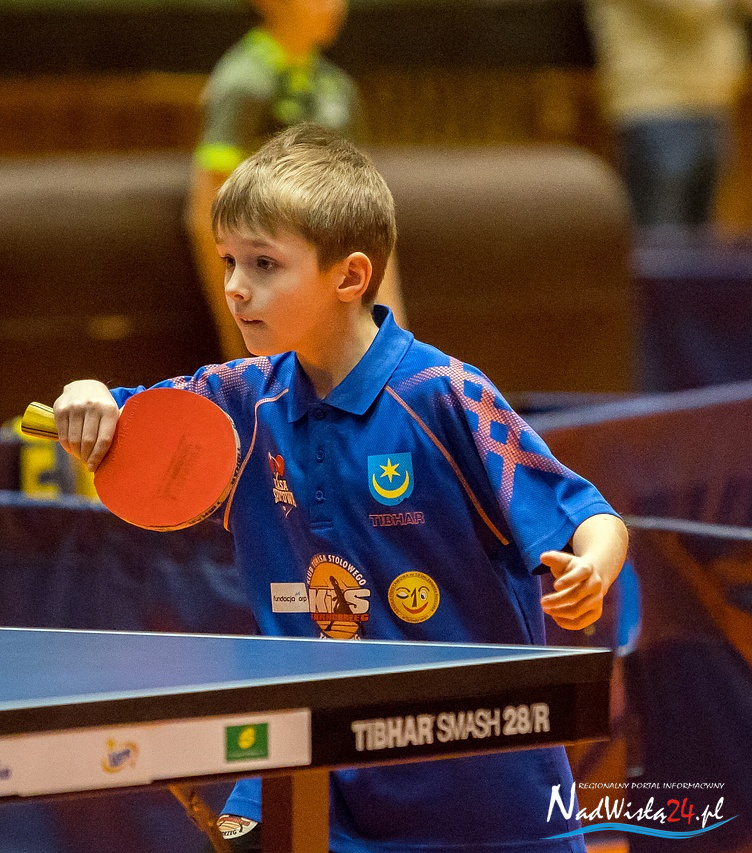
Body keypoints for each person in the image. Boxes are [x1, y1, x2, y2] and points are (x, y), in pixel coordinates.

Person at [51, 124, 628, 852]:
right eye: (230, 260)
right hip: (317, 773)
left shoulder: (443, 395)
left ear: (349, 277)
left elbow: (589, 515)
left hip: (482, 787)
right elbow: (121, 414)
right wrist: (85, 392)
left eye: (264, 263)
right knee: (240, 834)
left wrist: (592, 568)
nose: (234, 286)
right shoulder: (241, 400)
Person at [186, 0, 405, 362]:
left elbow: (367, 210)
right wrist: (240, 334)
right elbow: (207, 209)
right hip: (275, 303)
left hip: (332, 308)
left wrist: (392, 328)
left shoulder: (336, 85)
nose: (333, 5)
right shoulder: (243, 81)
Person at [584, 0, 751, 230]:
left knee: (702, 245)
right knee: (661, 240)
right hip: (655, 110)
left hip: (713, 105)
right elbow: (690, 8)